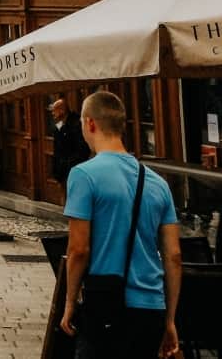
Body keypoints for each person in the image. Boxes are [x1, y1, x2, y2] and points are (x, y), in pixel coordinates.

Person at [59, 91, 181, 359]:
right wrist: (169, 320)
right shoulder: (158, 183)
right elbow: (173, 256)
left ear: (90, 123)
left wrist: (69, 302)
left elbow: (79, 249)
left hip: (106, 306)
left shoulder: (83, 175)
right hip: (151, 308)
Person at [49, 98, 89, 188]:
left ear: (62, 110)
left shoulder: (76, 124)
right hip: (62, 171)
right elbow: (57, 148)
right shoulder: (59, 124)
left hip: (74, 170)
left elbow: (82, 150)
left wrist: (67, 164)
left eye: (54, 110)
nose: (52, 113)